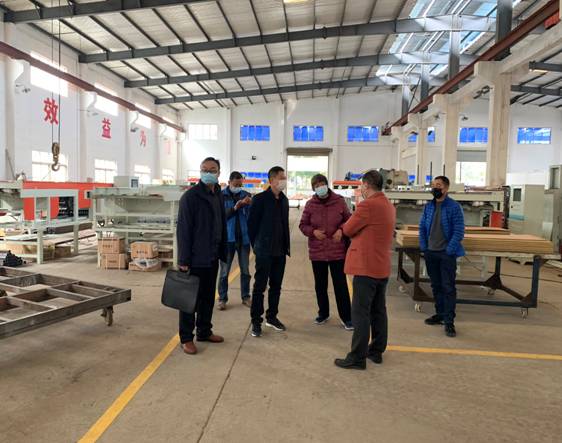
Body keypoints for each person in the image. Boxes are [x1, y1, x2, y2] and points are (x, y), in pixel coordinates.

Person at [334, 170, 396, 370]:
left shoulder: (368, 205)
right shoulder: (388, 204)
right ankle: (376, 351)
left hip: (366, 267)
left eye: (362, 185)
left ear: (367, 185)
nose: (361, 188)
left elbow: (348, 229)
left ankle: (357, 357)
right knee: (378, 310)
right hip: (381, 265)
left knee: (360, 313)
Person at [176, 157, 227, 355]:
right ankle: (186, 338)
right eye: (204, 169)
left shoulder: (218, 195)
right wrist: (183, 260)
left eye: (212, 170)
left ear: (218, 172)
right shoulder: (190, 197)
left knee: (207, 298)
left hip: (212, 256)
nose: (208, 173)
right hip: (195, 258)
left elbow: (221, 222)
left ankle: (204, 331)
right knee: (189, 300)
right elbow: (184, 231)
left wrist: (222, 250)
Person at [299, 174, 353, 329]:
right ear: (313, 188)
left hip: (337, 251)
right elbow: (303, 225)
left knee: (340, 285)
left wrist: (341, 230)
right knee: (320, 285)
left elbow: (349, 220)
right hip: (318, 252)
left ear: (326, 185)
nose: (320, 187)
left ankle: (346, 317)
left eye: (321, 184)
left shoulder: (339, 201)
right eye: (316, 186)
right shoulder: (310, 205)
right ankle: (323, 313)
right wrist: (313, 232)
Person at [418, 175, 465, 338]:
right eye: (433, 185)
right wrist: (424, 247)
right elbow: (422, 228)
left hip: (446, 254)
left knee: (448, 288)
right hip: (431, 252)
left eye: (438, 185)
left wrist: (449, 250)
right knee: (436, 286)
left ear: (446, 188)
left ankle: (449, 321)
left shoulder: (454, 207)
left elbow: (459, 231)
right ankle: (440, 315)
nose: (435, 188)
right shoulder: (429, 206)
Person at [247, 166, 290, 338]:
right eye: (281, 177)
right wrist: (257, 246)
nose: (284, 180)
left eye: (284, 177)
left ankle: (272, 317)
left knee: (276, 287)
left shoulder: (284, 200)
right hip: (264, 251)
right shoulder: (259, 199)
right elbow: (251, 226)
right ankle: (256, 321)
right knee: (260, 287)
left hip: (280, 251)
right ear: (271, 180)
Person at [217, 171, 253, 310]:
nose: (238, 187)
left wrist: (249, 205)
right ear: (229, 182)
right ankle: (222, 299)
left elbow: (251, 216)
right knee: (224, 272)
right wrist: (236, 207)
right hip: (228, 239)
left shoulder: (246, 195)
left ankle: (246, 297)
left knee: (245, 270)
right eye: (235, 184)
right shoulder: (221, 196)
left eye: (240, 185)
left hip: (243, 239)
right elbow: (221, 217)